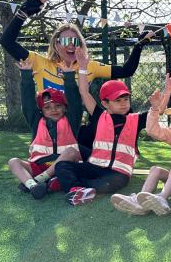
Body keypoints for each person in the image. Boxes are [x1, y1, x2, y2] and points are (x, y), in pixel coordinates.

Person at [0, 0, 155, 92]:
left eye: (75, 41)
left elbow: (126, 71)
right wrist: (22, 14)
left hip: (75, 129)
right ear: (56, 44)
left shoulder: (89, 66)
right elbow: (6, 41)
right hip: (47, 130)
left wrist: (139, 45)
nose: (71, 45)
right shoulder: (40, 62)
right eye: (66, 40)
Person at [54, 49, 150, 206]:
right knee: (62, 166)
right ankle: (76, 189)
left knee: (109, 184)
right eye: (118, 100)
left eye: (126, 99)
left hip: (117, 175)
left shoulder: (136, 120)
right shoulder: (100, 115)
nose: (124, 103)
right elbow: (84, 92)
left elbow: (156, 111)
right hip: (95, 167)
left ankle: (73, 187)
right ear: (105, 103)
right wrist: (83, 68)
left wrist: (167, 91)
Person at [111, 72, 171, 215]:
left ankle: (162, 197)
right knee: (155, 169)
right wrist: (154, 109)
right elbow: (152, 130)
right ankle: (139, 202)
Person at [10, 58, 84, 199]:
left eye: (58, 106)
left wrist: (69, 77)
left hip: (64, 166)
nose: (53, 110)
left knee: (71, 151)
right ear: (41, 110)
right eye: (48, 107)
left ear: (64, 108)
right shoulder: (36, 121)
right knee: (13, 161)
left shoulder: (71, 120)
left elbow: (75, 102)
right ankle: (33, 185)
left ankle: (40, 180)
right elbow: (27, 104)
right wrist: (26, 76)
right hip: (38, 166)